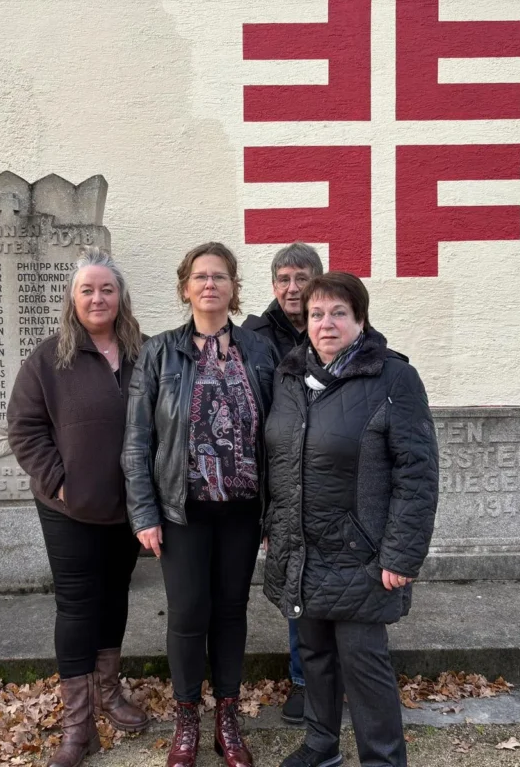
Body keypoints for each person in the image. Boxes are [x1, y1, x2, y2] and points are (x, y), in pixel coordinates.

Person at [263, 272, 439, 767]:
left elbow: (417, 473)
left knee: (364, 664)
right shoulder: (289, 376)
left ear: (360, 319)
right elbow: (277, 457)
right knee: (315, 655)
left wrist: (401, 554)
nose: (326, 323)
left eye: (339, 313)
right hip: (303, 548)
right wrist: (273, 527)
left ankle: (382, 760)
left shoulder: (394, 378)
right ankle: (321, 747)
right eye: (317, 314)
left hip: (362, 553)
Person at [122, 242, 278, 767]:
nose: (210, 284)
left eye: (220, 276)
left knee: (231, 612)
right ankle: (186, 718)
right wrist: (144, 513)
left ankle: (226, 719)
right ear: (185, 288)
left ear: (234, 288)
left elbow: (279, 434)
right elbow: (136, 439)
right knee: (189, 613)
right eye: (200, 276)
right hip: (181, 510)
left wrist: (274, 511)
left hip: (243, 509)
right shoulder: (160, 352)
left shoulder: (259, 351)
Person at [7, 247, 149, 767]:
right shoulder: (49, 358)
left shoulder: (145, 353)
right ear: (72, 298)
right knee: (76, 606)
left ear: (121, 297)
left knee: (114, 596)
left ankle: (108, 692)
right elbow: (24, 428)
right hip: (68, 509)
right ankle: (78, 725)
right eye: (87, 289)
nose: (97, 298)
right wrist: (61, 485)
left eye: (107, 289)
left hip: (129, 507)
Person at [242, 241, 323, 724]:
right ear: (273, 285)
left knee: (333, 580)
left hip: (328, 474)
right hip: (278, 477)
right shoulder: (252, 337)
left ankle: (337, 675)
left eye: (302, 278)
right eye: (284, 279)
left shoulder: (334, 323)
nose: (293, 288)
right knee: (296, 580)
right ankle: (304, 680)